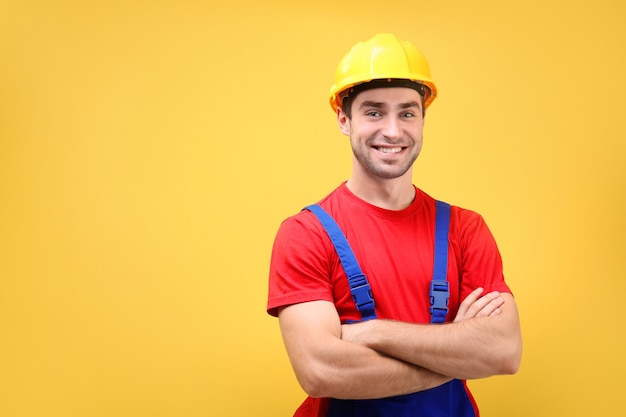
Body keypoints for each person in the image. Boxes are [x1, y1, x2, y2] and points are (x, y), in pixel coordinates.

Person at [266, 33, 522, 417]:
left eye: (407, 112)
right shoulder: (306, 233)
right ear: (343, 119)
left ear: (422, 119)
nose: (392, 131)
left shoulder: (465, 229)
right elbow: (321, 370)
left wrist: (372, 333)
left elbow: (503, 351)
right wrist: (456, 354)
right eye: (373, 112)